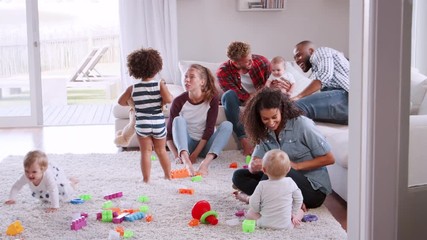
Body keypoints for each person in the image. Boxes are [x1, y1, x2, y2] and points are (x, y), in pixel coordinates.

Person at [232, 87, 335, 209]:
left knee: (279, 168)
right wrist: (253, 166)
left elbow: (329, 159)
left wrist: (295, 166)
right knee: (239, 176)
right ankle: (284, 201)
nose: (270, 122)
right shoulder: (263, 130)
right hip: (283, 182)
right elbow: (254, 161)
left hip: (313, 190)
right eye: (265, 118)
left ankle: (253, 199)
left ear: (282, 110)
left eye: (274, 117)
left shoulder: (302, 124)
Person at [118, 47, 173, 183]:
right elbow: (169, 100)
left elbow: (121, 102)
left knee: (146, 152)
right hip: (158, 122)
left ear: (134, 69)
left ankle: (146, 179)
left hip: (142, 123)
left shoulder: (133, 88)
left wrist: (133, 104)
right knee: (161, 151)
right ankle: (168, 176)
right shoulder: (159, 84)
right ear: (156, 68)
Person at [167, 64, 232, 176]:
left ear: (202, 82)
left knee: (227, 125)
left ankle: (205, 164)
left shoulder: (212, 100)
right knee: (178, 120)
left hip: (205, 145)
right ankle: (187, 163)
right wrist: (178, 155)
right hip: (186, 146)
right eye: (186, 76)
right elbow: (168, 135)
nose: (187, 79)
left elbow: (209, 130)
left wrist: (195, 155)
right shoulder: (178, 101)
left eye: (192, 77)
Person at [217, 41, 271, 156]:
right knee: (228, 95)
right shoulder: (223, 71)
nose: (251, 62)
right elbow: (238, 95)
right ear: (235, 62)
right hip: (241, 102)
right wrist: (253, 97)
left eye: (250, 58)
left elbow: (271, 85)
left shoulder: (262, 62)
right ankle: (244, 140)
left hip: (263, 98)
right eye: (247, 61)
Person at [291, 40, 350, 125]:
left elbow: (325, 75)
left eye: (298, 55)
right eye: (295, 58)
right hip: (346, 110)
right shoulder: (315, 72)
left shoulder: (320, 52)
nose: (296, 60)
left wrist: (298, 96)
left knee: (294, 107)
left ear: (311, 51)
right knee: (301, 113)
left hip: (346, 97)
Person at [245, 149, 304, 230]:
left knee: (250, 212)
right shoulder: (290, 182)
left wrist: (258, 210)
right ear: (288, 169)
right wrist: (293, 213)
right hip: (286, 225)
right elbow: (299, 199)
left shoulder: (262, 185)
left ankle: (261, 222)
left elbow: (253, 202)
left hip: (264, 222)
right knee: (301, 211)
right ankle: (294, 221)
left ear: (264, 170)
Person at [5, 150, 77, 213]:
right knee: (45, 197)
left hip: (56, 184)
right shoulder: (25, 176)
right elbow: (16, 186)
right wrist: (12, 198)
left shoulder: (48, 176)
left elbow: (53, 190)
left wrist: (55, 207)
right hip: (43, 189)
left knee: (66, 191)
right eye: (26, 171)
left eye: (34, 172)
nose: (30, 175)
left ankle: (72, 182)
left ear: (43, 170)